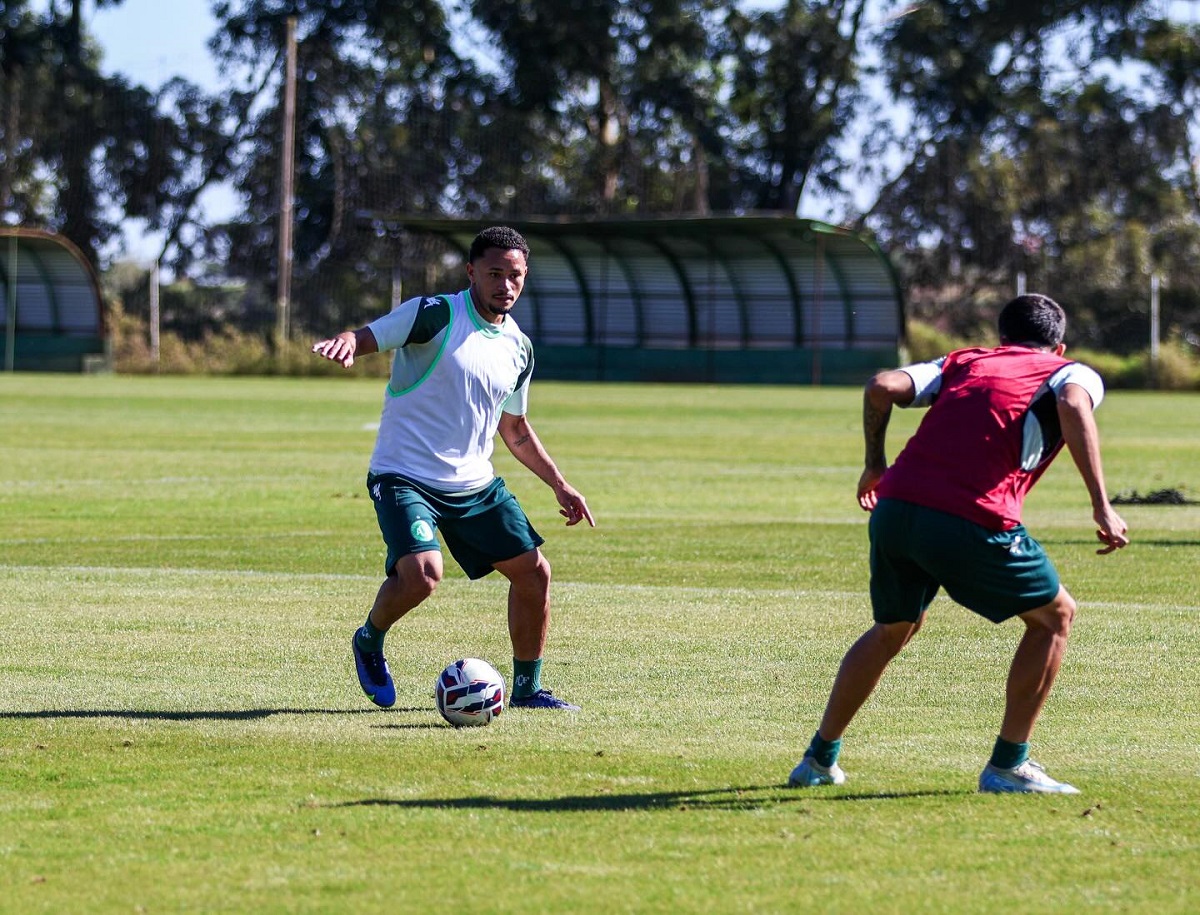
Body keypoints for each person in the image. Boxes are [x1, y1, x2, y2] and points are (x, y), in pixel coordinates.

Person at [788, 293, 1129, 794]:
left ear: (1003, 337)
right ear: (1059, 346)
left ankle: (817, 761)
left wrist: (875, 463)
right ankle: (1008, 766)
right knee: (1055, 617)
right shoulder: (1071, 371)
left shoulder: (965, 360)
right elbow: (1074, 403)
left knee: (892, 629)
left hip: (896, 508)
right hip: (970, 515)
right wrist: (1102, 504)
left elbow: (882, 386)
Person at [311, 225, 595, 712]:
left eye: (515, 275)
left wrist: (559, 484)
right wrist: (345, 342)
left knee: (535, 574)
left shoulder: (519, 348)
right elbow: (366, 336)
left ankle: (527, 691)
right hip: (403, 475)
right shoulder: (434, 314)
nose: (505, 285)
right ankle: (369, 639)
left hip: (474, 484)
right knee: (423, 575)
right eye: (494, 273)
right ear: (471, 272)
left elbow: (517, 430)